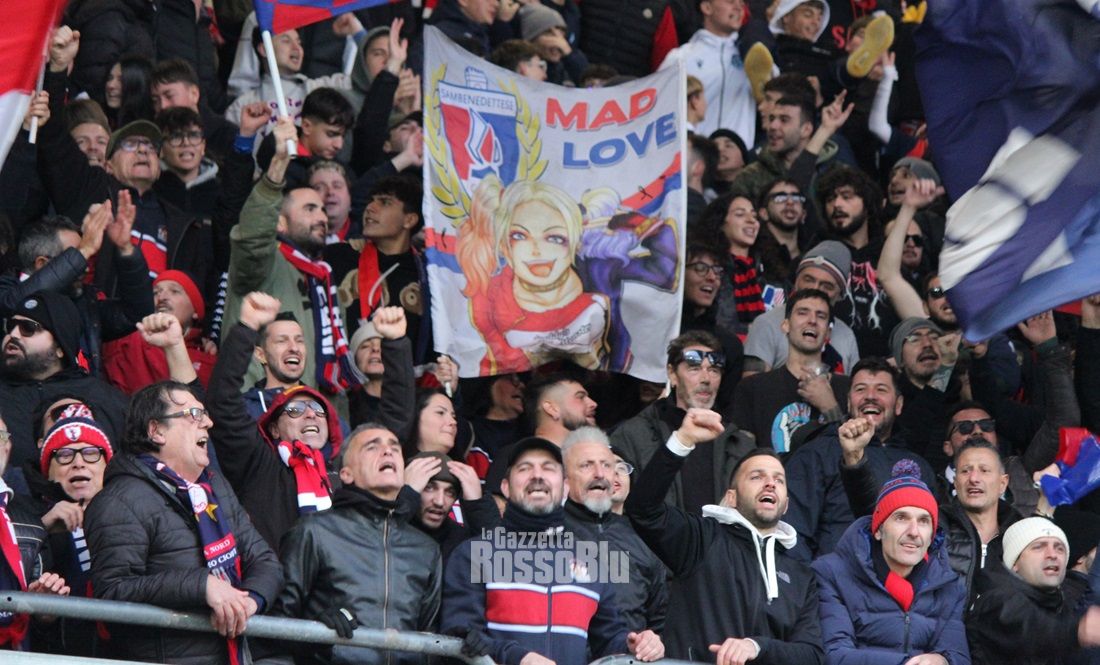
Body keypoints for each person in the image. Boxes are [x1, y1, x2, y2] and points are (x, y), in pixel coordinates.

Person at [85, 380, 283, 664]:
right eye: (194, 414)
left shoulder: (215, 487)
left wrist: (247, 603)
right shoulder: (119, 501)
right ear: (156, 431)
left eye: (205, 413)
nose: (208, 423)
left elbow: (264, 559)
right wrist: (202, 586)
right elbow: (113, 593)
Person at [442, 437, 665, 664]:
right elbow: (460, 637)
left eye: (548, 468)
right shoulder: (474, 554)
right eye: (525, 468)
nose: (537, 476)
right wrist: (518, 658)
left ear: (565, 487)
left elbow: (608, 639)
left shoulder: (589, 560)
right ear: (505, 487)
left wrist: (636, 644)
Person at [627, 425, 825, 664]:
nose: (770, 484)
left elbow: (812, 655)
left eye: (779, 480)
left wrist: (757, 647)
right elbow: (643, 509)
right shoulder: (701, 538)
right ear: (731, 498)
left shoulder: (801, 575)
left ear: (786, 505)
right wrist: (682, 440)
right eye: (756, 476)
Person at [273, 423, 442, 664]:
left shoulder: (426, 549)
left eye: (395, 447)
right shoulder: (314, 531)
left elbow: (430, 639)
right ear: (346, 474)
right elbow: (274, 625)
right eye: (372, 447)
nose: (388, 451)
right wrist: (315, 632)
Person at [221, 117, 359, 396]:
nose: (322, 217)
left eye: (322, 210)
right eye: (310, 209)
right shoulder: (265, 260)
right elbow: (252, 237)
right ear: (280, 223)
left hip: (312, 411)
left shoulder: (323, 277)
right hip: (260, 406)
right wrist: (277, 168)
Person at [207, 292, 349, 550]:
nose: (294, 347)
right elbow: (222, 402)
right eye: (282, 340)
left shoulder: (337, 455)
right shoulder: (262, 461)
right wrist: (247, 328)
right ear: (260, 354)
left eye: (299, 340)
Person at [784, 358, 937, 561]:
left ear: (898, 404)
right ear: (849, 403)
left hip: (900, 579)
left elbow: (934, 541)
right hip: (833, 578)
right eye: (860, 389)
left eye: (881, 389)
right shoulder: (817, 452)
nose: (870, 396)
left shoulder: (919, 465)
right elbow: (793, 532)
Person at [811, 474, 969, 664]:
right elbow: (834, 655)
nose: (914, 532)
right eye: (901, 518)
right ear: (878, 530)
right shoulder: (831, 573)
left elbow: (958, 656)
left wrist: (943, 661)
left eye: (923, 521)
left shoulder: (949, 587)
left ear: (931, 536)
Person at [612, 331, 755, 513]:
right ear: (672, 374)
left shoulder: (738, 442)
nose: (706, 379)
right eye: (694, 369)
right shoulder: (634, 434)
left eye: (714, 370)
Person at [0, 292, 129, 469]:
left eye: (28, 328)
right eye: (10, 326)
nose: (13, 335)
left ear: (60, 348)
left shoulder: (106, 400)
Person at [562, 427, 668, 634]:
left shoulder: (642, 538)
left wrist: (652, 641)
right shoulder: (544, 534)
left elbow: (660, 620)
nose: (599, 474)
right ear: (565, 478)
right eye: (586, 465)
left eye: (607, 465)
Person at [966, 517, 1100, 664]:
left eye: (1059, 548)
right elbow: (1028, 627)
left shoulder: (1064, 604)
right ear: (1015, 563)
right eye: (1038, 547)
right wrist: (1076, 630)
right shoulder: (996, 599)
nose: (1052, 554)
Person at [734, 290, 850, 452]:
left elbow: (854, 455)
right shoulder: (753, 388)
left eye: (821, 316)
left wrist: (830, 408)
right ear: (785, 325)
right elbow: (741, 455)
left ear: (828, 332)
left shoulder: (848, 388)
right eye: (803, 313)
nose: (812, 320)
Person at [743, 240, 860, 376]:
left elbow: (854, 388)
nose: (815, 289)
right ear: (796, 281)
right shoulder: (766, 324)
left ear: (840, 295)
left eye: (826, 286)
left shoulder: (846, 336)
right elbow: (752, 384)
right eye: (808, 280)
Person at [103, 270, 215, 393]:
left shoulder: (208, 359)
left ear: (196, 311)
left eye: (174, 291)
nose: (162, 297)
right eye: (155, 292)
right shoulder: (127, 337)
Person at [661, 0, 755, 144]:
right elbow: (659, 109)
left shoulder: (752, 55)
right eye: (730, 1)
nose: (738, 7)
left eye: (742, 2)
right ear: (707, 7)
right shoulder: (680, 58)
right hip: (694, 153)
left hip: (739, 155)